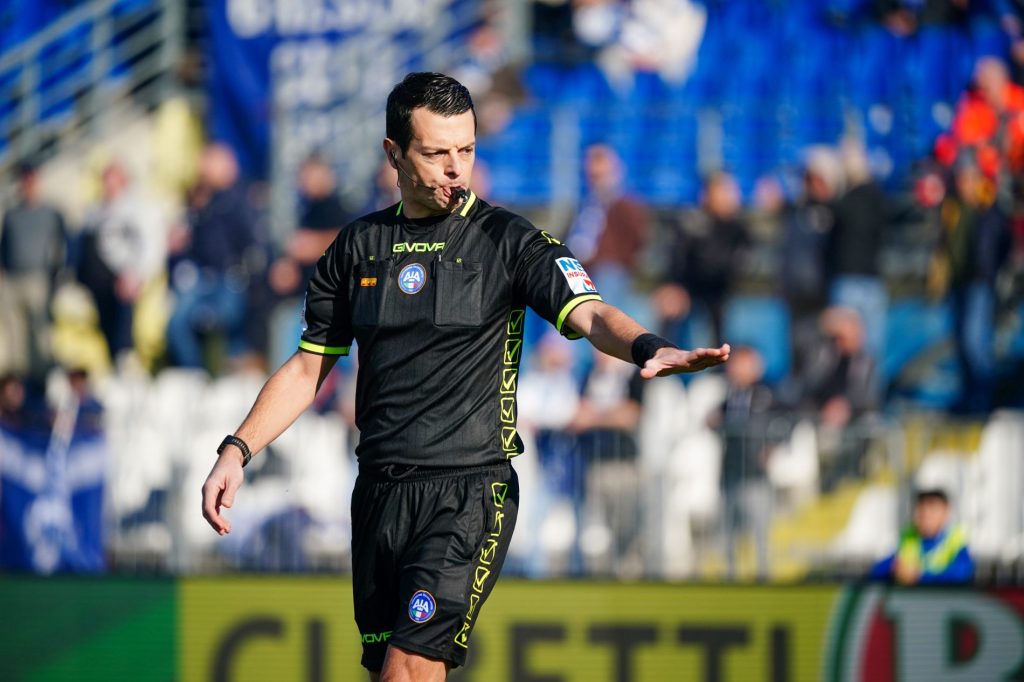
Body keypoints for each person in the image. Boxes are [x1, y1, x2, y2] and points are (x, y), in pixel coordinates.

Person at [200, 72, 730, 681]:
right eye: (436, 153)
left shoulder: (509, 239)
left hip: (469, 492)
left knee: (408, 670)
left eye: (467, 149)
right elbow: (307, 366)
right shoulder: (356, 248)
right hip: (378, 494)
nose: (456, 167)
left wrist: (647, 347)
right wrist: (237, 449)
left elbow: (591, 312)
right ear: (394, 154)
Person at [0, 162, 68, 379]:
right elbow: (4, 244)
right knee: (15, 330)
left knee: (39, 328)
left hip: (38, 277)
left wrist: (57, 274)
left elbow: (62, 244)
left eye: (32, 181)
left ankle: (42, 374)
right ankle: (19, 378)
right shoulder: (12, 213)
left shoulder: (51, 213)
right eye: (25, 181)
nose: (28, 186)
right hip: (12, 278)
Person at [869, 488, 974, 584]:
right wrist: (894, 569)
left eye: (932, 510)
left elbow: (963, 573)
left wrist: (920, 575)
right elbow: (877, 570)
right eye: (921, 510)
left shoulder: (955, 540)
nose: (926, 515)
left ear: (945, 512)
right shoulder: (909, 539)